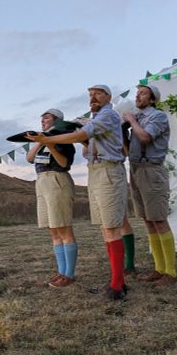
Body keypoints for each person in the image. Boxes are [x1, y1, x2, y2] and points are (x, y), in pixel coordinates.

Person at [28, 84, 129, 300]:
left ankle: (117, 286)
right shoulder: (97, 119)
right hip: (96, 171)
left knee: (111, 228)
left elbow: (81, 136)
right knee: (106, 229)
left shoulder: (108, 114)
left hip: (108, 171)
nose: (93, 97)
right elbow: (86, 138)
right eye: (90, 95)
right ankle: (117, 282)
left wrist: (47, 139)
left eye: (98, 94)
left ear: (109, 97)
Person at [122, 83, 177, 287]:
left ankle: (170, 272)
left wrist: (131, 120)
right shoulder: (137, 119)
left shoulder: (158, 116)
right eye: (137, 93)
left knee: (159, 220)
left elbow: (145, 138)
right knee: (147, 220)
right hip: (135, 169)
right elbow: (130, 148)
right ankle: (159, 269)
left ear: (152, 99)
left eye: (143, 93)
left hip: (152, 171)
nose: (138, 96)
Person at [26, 108, 78, 288]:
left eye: (47, 117)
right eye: (41, 118)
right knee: (53, 231)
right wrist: (40, 141)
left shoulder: (64, 141)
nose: (43, 120)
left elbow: (64, 163)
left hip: (57, 180)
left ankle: (69, 274)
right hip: (41, 182)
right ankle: (61, 271)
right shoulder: (42, 141)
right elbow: (30, 158)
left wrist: (49, 143)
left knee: (63, 228)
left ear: (57, 121)